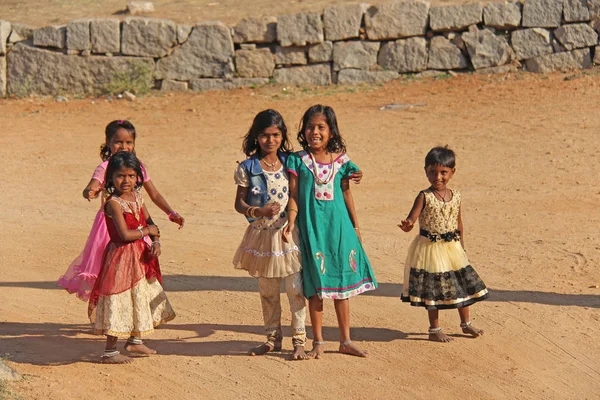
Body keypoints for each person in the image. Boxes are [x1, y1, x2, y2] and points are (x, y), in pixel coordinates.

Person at [284, 104, 377, 359]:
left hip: (339, 230)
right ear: (303, 130)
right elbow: (293, 195)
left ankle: (346, 340)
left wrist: (356, 226)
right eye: (310, 126)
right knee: (316, 286)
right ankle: (319, 341)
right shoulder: (297, 160)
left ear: (331, 132)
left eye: (321, 127)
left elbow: (346, 192)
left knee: (341, 284)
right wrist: (291, 222)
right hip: (312, 230)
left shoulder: (342, 162)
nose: (315, 131)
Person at [58, 120, 184, 301]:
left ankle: (132, 309)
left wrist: (171, 213)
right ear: (108, 142)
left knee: (135, 268)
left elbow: (154, 193)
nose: (124, 146)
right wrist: (90, 191)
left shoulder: (138, 167)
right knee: (110, 270)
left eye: (129, 142)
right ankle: (109, 309)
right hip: (110, 227)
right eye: (118, 142)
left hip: (136, 223)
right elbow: (91, 186)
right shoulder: (105, 167)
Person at [88, 151, 175, 364]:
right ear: (110, 178)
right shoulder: (113, 203)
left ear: (137, 177)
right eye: (120, 176)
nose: (125, 180)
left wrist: (156, 242)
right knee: (118, 300)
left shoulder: (137, 197)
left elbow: (149, 220)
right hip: (120, 257)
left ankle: (135, 340)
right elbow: (125, 234)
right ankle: (109, 351)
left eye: (130, 176)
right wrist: (148, 232)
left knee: (140, 295)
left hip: (140, 256)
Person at [398, 146, 488, 343]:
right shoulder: (424, 196)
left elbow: (459, 222)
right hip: (431, 249)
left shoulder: (456, 196)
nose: (438, 177)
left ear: (452, 172)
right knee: (434, 291)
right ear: (426, 171)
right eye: (432, 172)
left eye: (443, 172)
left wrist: (462, 247)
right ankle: (434, 328)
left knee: (461, 286)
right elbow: (411, 219)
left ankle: (465, 324)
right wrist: (407, 225)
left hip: (453, 248)